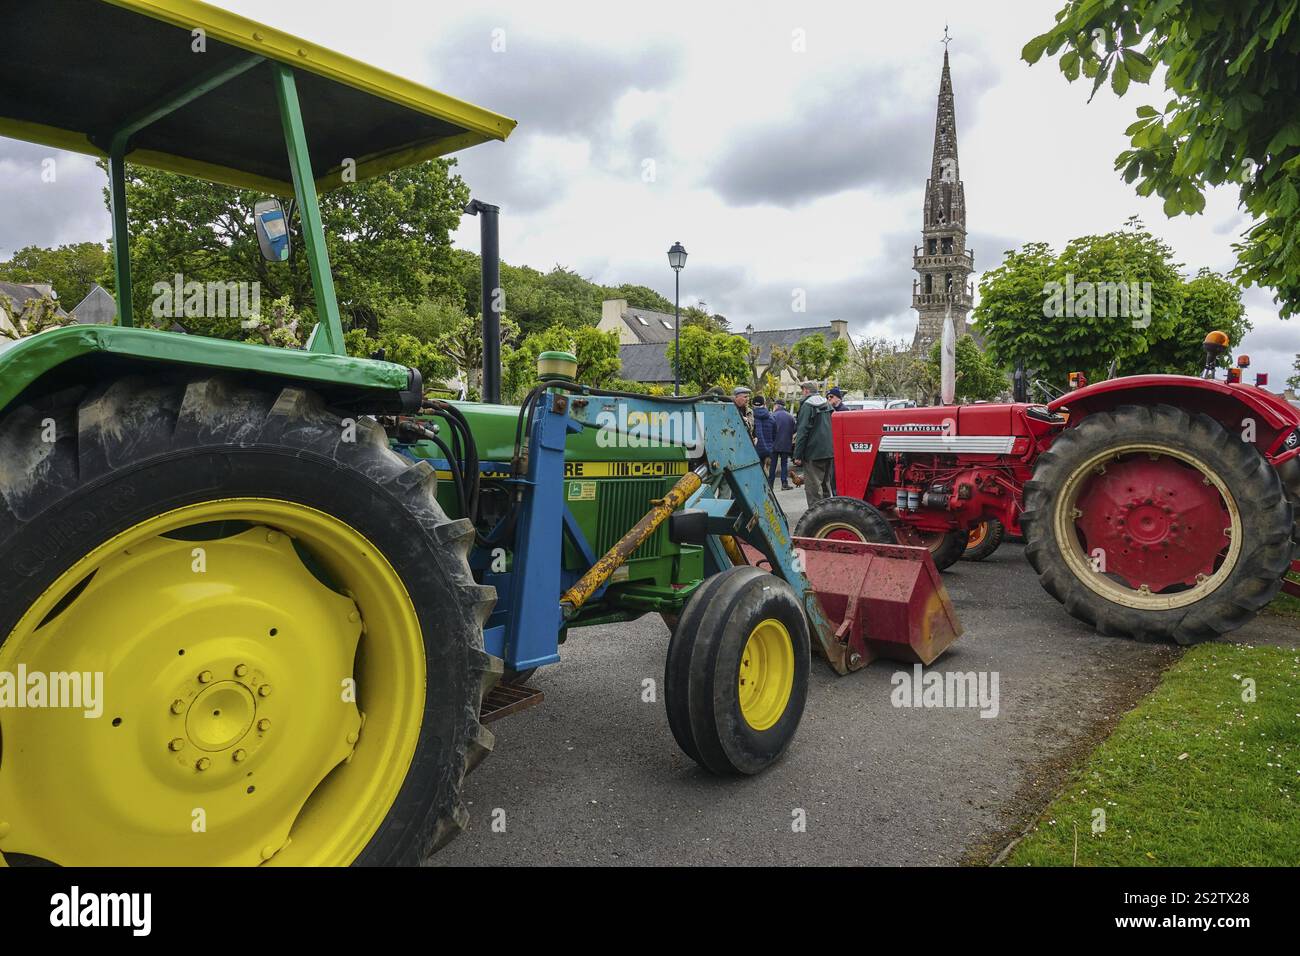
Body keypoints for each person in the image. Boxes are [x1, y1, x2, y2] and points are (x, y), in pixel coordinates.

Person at [793, 381, 834, 508]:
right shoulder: (827, 404)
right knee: (826, 486)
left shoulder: (807, 405)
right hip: (828, 451)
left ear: (806, 390)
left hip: (813, 453)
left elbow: (803, 431)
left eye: (802, 391)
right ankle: (829, 515)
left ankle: (817, 520)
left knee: (813, 489)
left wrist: (797, 455)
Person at [769, 398, 796, 490]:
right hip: (786, 444)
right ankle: (784, 483)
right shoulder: (790, 417)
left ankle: (770, 485)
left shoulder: (772, 416)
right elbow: (794, 430)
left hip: (774, 444)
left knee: (773, 465)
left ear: (776, 405)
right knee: (784, 464)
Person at [751, 394, 776, 478]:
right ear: (764, 404)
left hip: (754, 451)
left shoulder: (751, 417)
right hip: (768, 451)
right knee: (766, 477)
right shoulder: (771, 418)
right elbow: (774, 435)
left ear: (752, 404)